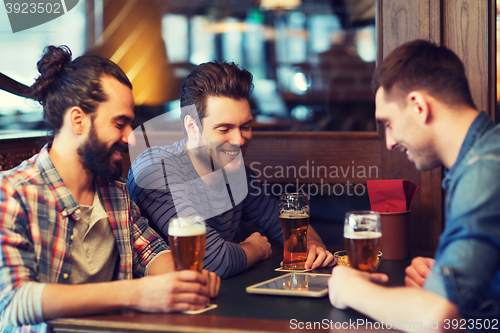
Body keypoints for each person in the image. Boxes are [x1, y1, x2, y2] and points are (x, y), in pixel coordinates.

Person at [0, 46, 220, 333]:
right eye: (120, 123)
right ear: (78, 120)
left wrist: (183, 282)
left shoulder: (114, 191)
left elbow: (151, 251)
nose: (130, 137)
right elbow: (14, 301)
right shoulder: (13, 193)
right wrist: (139, 293)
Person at [328, 39, 500, 331]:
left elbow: (437, 319)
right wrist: (450, 279)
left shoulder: (483, 171)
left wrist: (351, 290)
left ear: (418, 106)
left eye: (389, 123)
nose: (390, 141)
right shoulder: (485, 153)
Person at [127, 61, 334, 279]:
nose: (239, 139)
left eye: (245, 126)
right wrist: (255, 248)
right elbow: (211, 262)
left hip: (214, 297)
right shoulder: (156, 169)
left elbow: (285, 226)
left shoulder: (237, 174)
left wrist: (312, 246)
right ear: (192, 127)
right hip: (160, 305)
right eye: (224, 129)